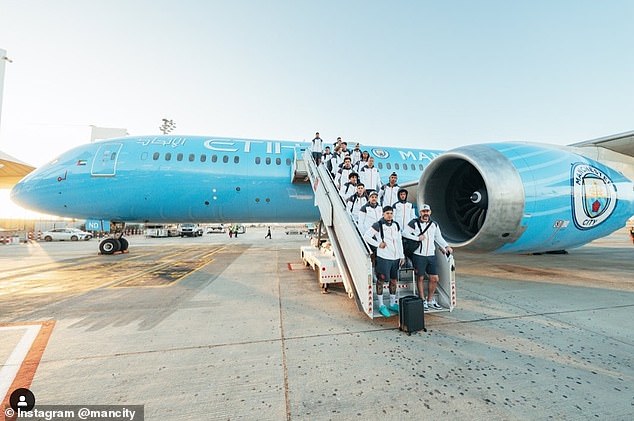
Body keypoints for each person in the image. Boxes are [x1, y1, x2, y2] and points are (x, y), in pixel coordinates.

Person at [402, 204, 453, 311]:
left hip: (431, 255)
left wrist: (446, 246)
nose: (425, 213)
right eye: (423, 211)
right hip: (419, 255)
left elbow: (438, 237)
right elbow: (404, 233)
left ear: (430, 212)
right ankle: (422, 299)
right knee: (420, 277)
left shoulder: (434, 224)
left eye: (427, 211)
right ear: (420, 213)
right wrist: (416, 238)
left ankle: (430, 300)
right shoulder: (414, 223)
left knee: (434, 278)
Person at [363, 206, 405, 317]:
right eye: (387, 213)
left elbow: (399, 241)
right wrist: (378, 244)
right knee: (381, 281)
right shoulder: (378, 225)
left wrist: (402, 256)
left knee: (394, 281)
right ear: (383, 214)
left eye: (391, 213)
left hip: (395, 258)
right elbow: (366, 236)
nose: (389, 215)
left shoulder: (396, 225)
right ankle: (381, 304)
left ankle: (392, 303)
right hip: (384, 258)